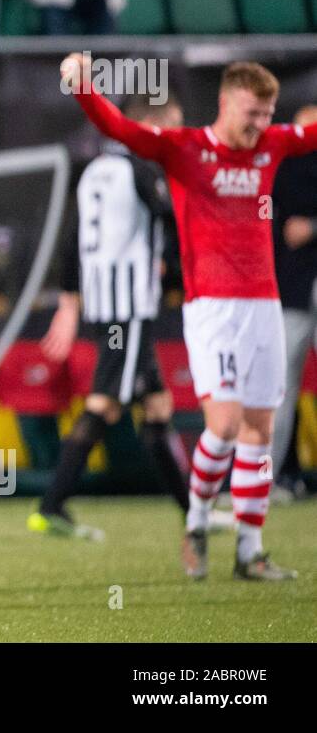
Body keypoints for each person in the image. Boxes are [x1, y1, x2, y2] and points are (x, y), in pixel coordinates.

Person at [64, 53, 314, 580]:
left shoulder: (272, 145)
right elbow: (121, 127)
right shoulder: (186, 149)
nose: (261, 124)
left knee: (260, 430)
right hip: (212, 309)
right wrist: (85, 86)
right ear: (225, 103)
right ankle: (197, 521)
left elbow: (308, 135)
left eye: (268, 113)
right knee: (221, 426)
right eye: (252, 112)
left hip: (264, 304)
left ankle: (250, 551)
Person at [31, 94, 230, 538]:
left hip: (106, 303)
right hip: (129, 307)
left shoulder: (94, 172)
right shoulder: (142, 169)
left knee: (157, 407)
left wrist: (69, 302)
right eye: (171, 127)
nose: (175, 137)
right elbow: (171, 215)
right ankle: (51, 504)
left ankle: (192, 513)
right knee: (105, 403)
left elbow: (71, 242)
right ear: (149, 127)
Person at [271, 104, 317, 497]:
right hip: (293, 289)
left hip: (302, 285)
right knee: (278, 385)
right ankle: (268, 478)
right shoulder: (281, 169)